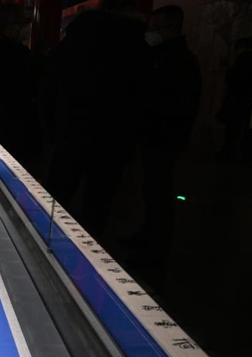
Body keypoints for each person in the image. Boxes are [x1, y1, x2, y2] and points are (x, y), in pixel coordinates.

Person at [41, 0, 149, 241]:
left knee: (56, 195)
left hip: (71, 130)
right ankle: (88, 261)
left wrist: (50, 128)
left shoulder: (76, 38)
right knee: (98, 205)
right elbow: (142, 97)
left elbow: (50, 85)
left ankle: (37, 245)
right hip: (114, 137)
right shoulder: (136, 44)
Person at [130, 5, 201, 288]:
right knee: (151, 191)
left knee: (159, 193)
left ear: (171, 29)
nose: (152, 32)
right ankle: (148, 238)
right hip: (155, 136)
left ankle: (155, 252)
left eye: (157, 28)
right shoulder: (164, 56)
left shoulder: (179, 61)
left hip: (163, 137)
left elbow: (173, 104)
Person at [0, 3, 41, 175]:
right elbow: (25, 87)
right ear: (11, 26)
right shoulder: (12, 53)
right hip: (14, 125)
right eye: (21, 25)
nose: (24, 29)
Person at [216, 37, 252, 163]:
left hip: (237, 100)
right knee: (239, 127)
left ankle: (229, 152)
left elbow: (233, 78)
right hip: (248, 100)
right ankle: (235, 152)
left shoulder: (243, 60)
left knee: (232, 129)